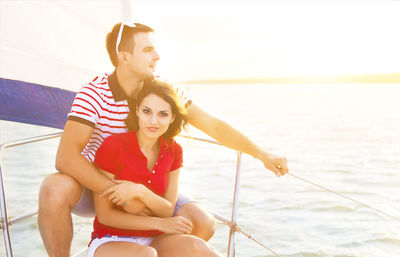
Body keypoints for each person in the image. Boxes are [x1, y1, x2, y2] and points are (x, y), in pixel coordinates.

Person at [38, 22, 288, 257]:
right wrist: (122, 195)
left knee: (202, 224)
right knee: (54, 188)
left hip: (146, 185)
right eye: (148, 50)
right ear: (124, 57)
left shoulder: (162, 91)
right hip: (97, 184)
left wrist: (262, 154)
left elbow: (214, 126)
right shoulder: (94, 93)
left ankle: (146, 248)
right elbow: (66, 157)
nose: (157, 56)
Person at [88, 80, 222, 257]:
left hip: (153, 239)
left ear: (172, 117)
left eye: (163, 114)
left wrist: (141, 191)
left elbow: (167, 209)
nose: (153, 121)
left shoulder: (174, 150)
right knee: (148, 255)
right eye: (146, 112)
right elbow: (105, 215)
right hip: (111, 239)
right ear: (137, 111)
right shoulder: (113, 146)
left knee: (199, 248)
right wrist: (159, 224)